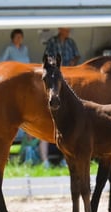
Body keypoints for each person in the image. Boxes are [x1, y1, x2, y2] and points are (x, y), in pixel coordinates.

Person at [40, 28, 80, 167]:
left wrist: (71, 65)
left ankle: (66, 157)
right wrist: (56, 67)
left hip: (69, 72)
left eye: (69, 30)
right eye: (66, 30)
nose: (68, 32)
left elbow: (76, 55)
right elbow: (47, 59)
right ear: (60, 30)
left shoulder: (71, 42)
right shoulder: (52, 42)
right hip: (55, 72)